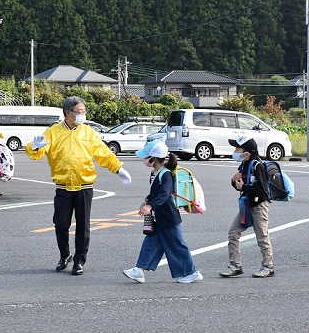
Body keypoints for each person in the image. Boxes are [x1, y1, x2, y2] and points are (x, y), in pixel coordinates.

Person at [26, 96, 131, 275]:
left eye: (84, 112)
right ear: (68, 113)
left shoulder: (89, 133)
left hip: (84, 185)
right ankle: (64, 255)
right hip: (63, 186)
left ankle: (79, 261)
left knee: (83, 225)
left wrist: (118, 168)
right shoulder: (53, 132)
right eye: (79, 112)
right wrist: (34, 147)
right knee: (60, 224)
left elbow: (104, 154)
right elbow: (37, 152)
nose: (83, 115)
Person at [122, 140, 203, 284]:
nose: (144, 160)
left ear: (153, 158)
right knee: (150, 243)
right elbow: (155, 192)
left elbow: (165, 194)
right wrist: (147, 201)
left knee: (177, 245)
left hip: (168, 217)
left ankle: (192, 272)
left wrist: (150, 206)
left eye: (146, 157)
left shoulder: (165, 174)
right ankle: (139, 270)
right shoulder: (155, 173)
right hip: (159, 217)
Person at [219, 135, 275, 278]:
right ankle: (235, 266)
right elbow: (239, 186)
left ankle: (268, 267)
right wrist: (234, 181)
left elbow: (262, 190)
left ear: (247, 153)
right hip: (246, 205)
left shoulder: (258, 166)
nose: (235, 151)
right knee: (233, 233)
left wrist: (244, 186)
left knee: (262, 237)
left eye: (238, 149)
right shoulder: (243, 164)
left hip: (259, 205)